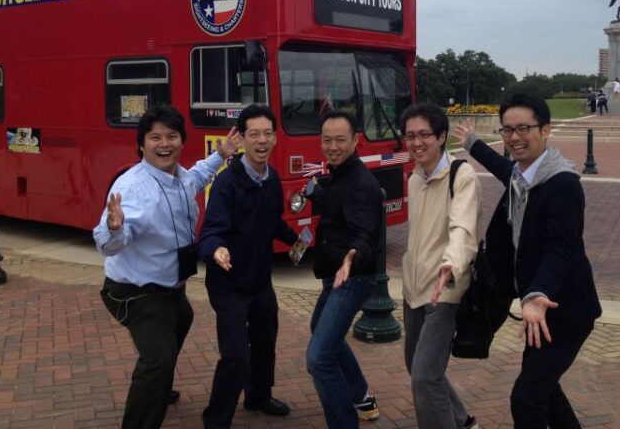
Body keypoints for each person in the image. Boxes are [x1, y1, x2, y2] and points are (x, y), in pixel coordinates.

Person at [453, 94, 601, 428]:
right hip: (539, 311)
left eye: (524, 128)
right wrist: (472, 142)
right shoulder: (522, 177)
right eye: (507, 130)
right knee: (544, 391)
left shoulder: (562, 185)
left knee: (527, 399)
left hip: (565, 310)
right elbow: (501, 165)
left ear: (545, 130)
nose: (515, 137)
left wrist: (536, 293)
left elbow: (560, 249)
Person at [94, 105, 241, 429]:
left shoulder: (178, 176)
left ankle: (157, 383)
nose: (164, 143)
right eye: (155, 137)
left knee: (183, 318)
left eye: (171, 136)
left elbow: (198, 177)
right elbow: (106, 244)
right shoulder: (133, 189)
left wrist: (221, 155)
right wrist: (115, 228)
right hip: (134, 290)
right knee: (158, 360)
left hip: (169, 285)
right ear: (141, 144)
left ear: (180, 141)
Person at [198, 105, 301, 428]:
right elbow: (210, 231)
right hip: (228, 284)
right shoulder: (227, 183)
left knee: (265, 339)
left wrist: (299, 241)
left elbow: (272, 221)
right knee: (236, 356)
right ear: (242, 139)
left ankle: (258, 395)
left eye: (268, 133)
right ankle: (216, 420)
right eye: (254, 134)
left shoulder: (270, 181)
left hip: (259, 281)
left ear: (274, 138)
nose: (262, 140)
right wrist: (217, 249)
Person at [400, 103, 481, 429]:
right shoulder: (414, 180)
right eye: (409, 136)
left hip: (444, 291)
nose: (416, 143)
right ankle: (462, 421)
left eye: (424, 136)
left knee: (424, 376)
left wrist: (450, 264)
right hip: (413, 289)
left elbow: (463, 228)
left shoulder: (462, 176)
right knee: (417, 366)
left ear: (441, 136)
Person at [305, 110, 383, 428]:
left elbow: (364, 231)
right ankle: (361, 395)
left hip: (352, 278)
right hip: (334, 276)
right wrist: (319, 195)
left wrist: (353, 255)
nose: (332, 146)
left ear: (355, 140)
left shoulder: (362, 183)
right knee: (323, 335)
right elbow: (341, 211)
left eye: (340, 140)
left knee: (318, 358)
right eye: (327, 140)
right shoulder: (339, 174)